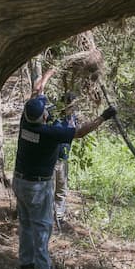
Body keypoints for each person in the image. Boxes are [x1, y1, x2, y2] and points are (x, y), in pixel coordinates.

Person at [13, 76, 116, 269]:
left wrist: (50, 73)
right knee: (42, 225)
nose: (47, 110)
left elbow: (36, 92)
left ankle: (26, 263)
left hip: (19, 181)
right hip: (37, 187)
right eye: (45, 110)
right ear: (43, 117)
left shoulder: (25, 123)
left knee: (25, 223)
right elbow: (79, 132)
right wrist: (104, 116)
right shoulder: (49, 133)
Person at [54, 91, 77, 224]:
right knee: (50, 189)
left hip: (64, 158)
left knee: (61, 188)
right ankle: (49, 215)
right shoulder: (57, 118)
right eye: (70, 104)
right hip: (52, 158)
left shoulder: (73, 118)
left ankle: (59, 216)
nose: (72, 107)